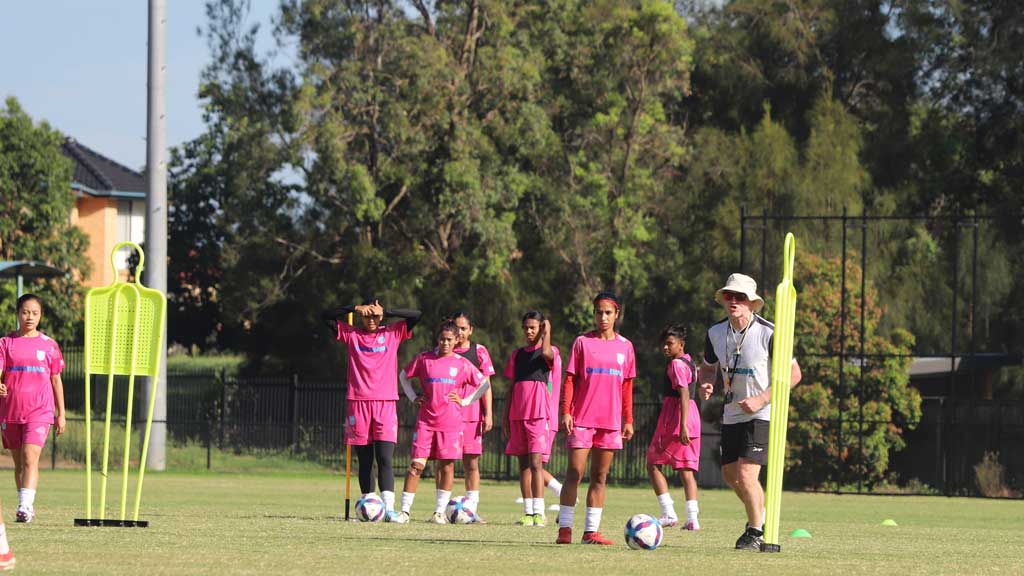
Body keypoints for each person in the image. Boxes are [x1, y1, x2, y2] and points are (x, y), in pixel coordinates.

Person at [697, 273, 802, 550]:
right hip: (732, 411)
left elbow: (794, 374)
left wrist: (762, 399)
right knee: (729, 475)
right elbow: (708, 367)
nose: (734, 301)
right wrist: (707, 383)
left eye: (740, 297)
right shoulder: (715, 333)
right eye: (729, 296)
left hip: (762, 413)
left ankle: (755, 532)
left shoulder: (769, 332)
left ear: (752, 304)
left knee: (746, 475)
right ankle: (761, 517)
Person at [322, 299, 421, 521]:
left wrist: (387, 311)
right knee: (365, 461)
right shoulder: (352, 335)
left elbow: (416, 314)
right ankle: (369, 505)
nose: (372, 320)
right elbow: (325, 316)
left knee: (385, 458)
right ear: (361, 317)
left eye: (375, 316)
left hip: (385, 403)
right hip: (358, 403)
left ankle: (389, 509)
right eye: (368, 316)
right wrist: (354, 307)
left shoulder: (393, 333)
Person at [556, 291, 636, 545]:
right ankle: (565, 530)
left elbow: (627, 387)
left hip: (610, 423)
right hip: (582, 419)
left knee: (600, 477)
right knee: (575, 473)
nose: (603, 317)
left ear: (616, 315)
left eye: (608, 312)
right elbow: (570, 379)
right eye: (599, 312)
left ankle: (591, 532)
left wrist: (628, 419)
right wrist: (566, 411)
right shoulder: (582, 342)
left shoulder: (626, 347)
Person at [394, 321, 490, 524]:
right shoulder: (425, 359)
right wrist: (413, 397)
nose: (445, 343)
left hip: (451, 423)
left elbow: (483, 383)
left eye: (449, 339)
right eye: (442, 339)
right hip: (426, 422)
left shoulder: (462, 364)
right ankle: (404, 511)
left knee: (446, 467)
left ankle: (439, 512)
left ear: (456, 340)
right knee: (416, 466)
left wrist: (465, 401)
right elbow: (403, 376)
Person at [0, 293, 66, 524]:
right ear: (18, 314)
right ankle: (25, 503)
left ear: (40, 316)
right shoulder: (5, 343)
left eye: (35, 313)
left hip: (40, 410)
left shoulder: (49, 346)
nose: (30, 317)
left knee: (30, 457)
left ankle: (25, 507)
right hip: (10, 411)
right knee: (19, 464)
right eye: (25, 312)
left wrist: (62, 414)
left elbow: (56, 379)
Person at [503, 311, 561, 527]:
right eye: (526, 327)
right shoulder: (517, 355)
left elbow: (546, 351)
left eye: (533, 327)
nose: (529, 331)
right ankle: (528, 513)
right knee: (523, 465)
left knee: (537, 463)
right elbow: (511, 388)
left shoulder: (549, 351)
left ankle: (539, 513)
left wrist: (548, 332)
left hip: (538, 415)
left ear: (541, 328)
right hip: (518, 416)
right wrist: (505, 417)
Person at [646, 324, 701, 530]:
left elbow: (684, 393)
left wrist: (683, 424)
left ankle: (668, 512)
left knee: (652, 462)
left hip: (676, 418)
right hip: (692, 416)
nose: (666, 348)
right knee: (686, 469)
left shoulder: (677, 365)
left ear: (681, 344)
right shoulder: (689, 362)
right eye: (664, 344)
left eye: (670, 344)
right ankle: (692, 519)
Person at [450, 311, 494, 519]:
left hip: (472, 415)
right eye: (456, 327)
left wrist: (489, 413)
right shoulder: (445, 349)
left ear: (470, 330)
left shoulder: (479, 351)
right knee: (445, 463)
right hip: (448, 416)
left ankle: (472, 510)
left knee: (472, 464)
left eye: (463, 328)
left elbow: (486, 384)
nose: (459, 332)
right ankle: (441, 509)